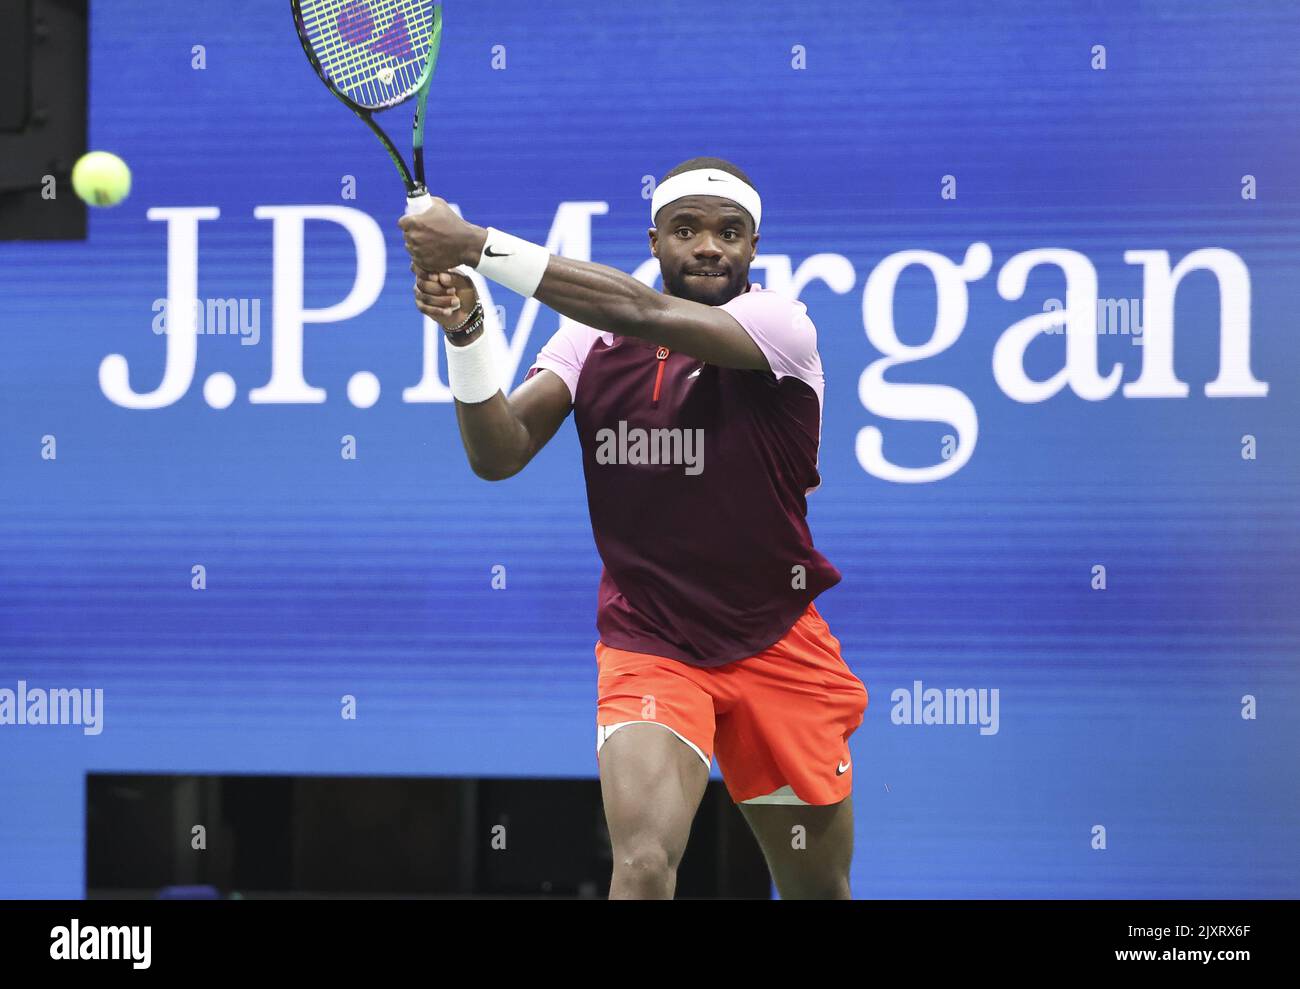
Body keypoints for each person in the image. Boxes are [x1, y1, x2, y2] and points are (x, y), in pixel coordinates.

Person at [398, 157, 868, 899]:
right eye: (687, 229)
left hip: (777, 641)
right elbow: (500, 452)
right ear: (655, 243)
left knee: (816, 886)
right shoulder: (588, 347)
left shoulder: (782, 328)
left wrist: (474, 244)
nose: (709, 245)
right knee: (643, 864)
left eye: (729, 232)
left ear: (753, 248)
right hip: (650, 641)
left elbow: (641, 314)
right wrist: (467, 331)